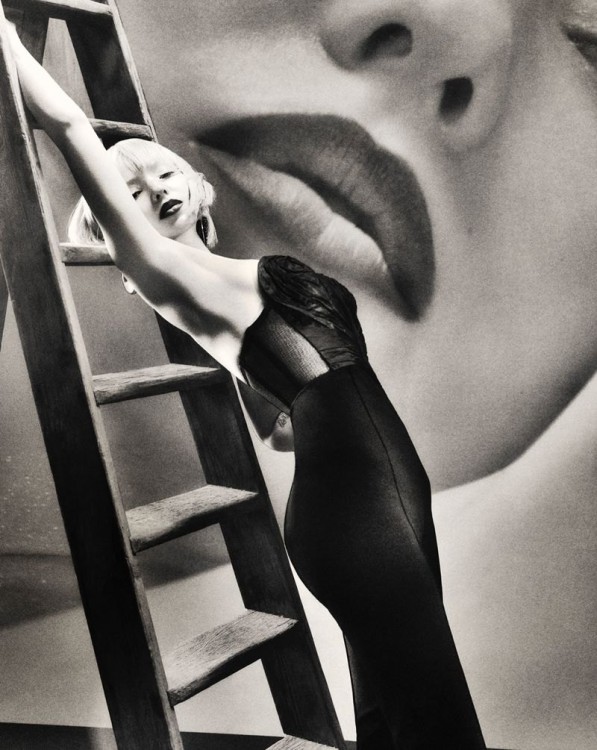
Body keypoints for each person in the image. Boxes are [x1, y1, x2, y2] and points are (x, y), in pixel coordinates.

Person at [6, 20, 487, 749]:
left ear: (195, 185)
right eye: (129, 192)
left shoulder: (229, 283)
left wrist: (299, 403)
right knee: (435, 719)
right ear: (117, 226)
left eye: (162, 172)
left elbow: (290, 410)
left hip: (382, 493)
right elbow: (71, 126)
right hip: (355, 512)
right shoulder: (169, 276)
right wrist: (6, 42)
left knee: (394, 717)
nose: (153, 189)